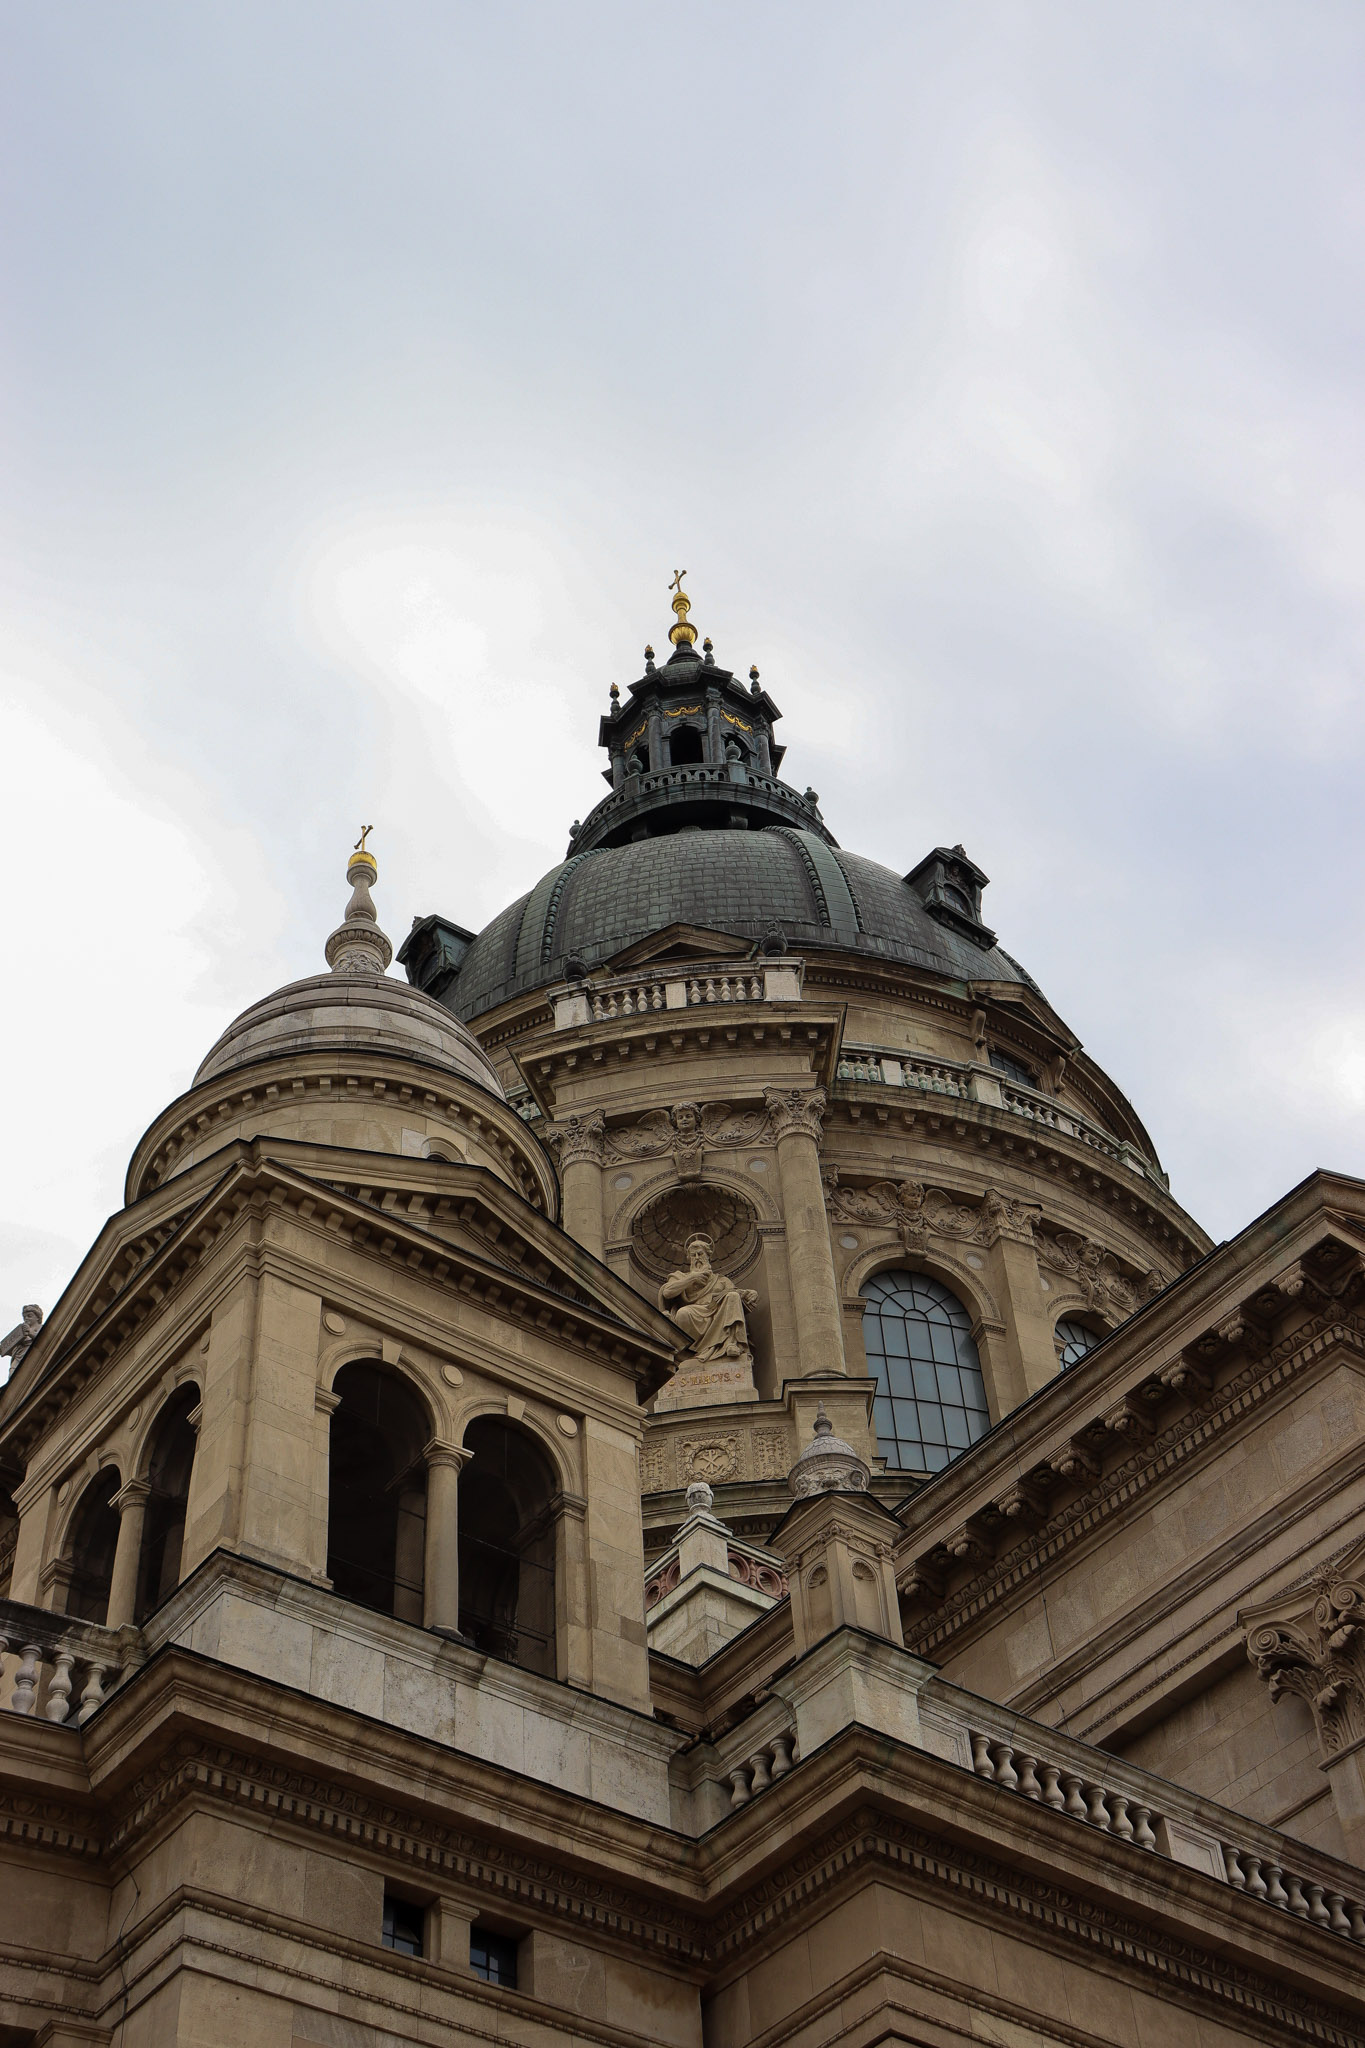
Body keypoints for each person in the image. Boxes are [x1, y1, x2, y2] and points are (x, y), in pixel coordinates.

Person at [658, 1237, 756, 1362]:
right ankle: (688, 1352)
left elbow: (737, 1295)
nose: (697, 1257)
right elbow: (667, 1292)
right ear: (689, 1258)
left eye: (700, 1254)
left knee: (733, 1296)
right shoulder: (680, 1276)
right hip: (693, 1312)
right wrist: (692, 1278)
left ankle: (730, 1343)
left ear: (708, 1256)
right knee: (683, 1313)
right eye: (693, 1255)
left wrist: (750, 1294)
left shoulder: (720, 1280)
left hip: (717, 1314)